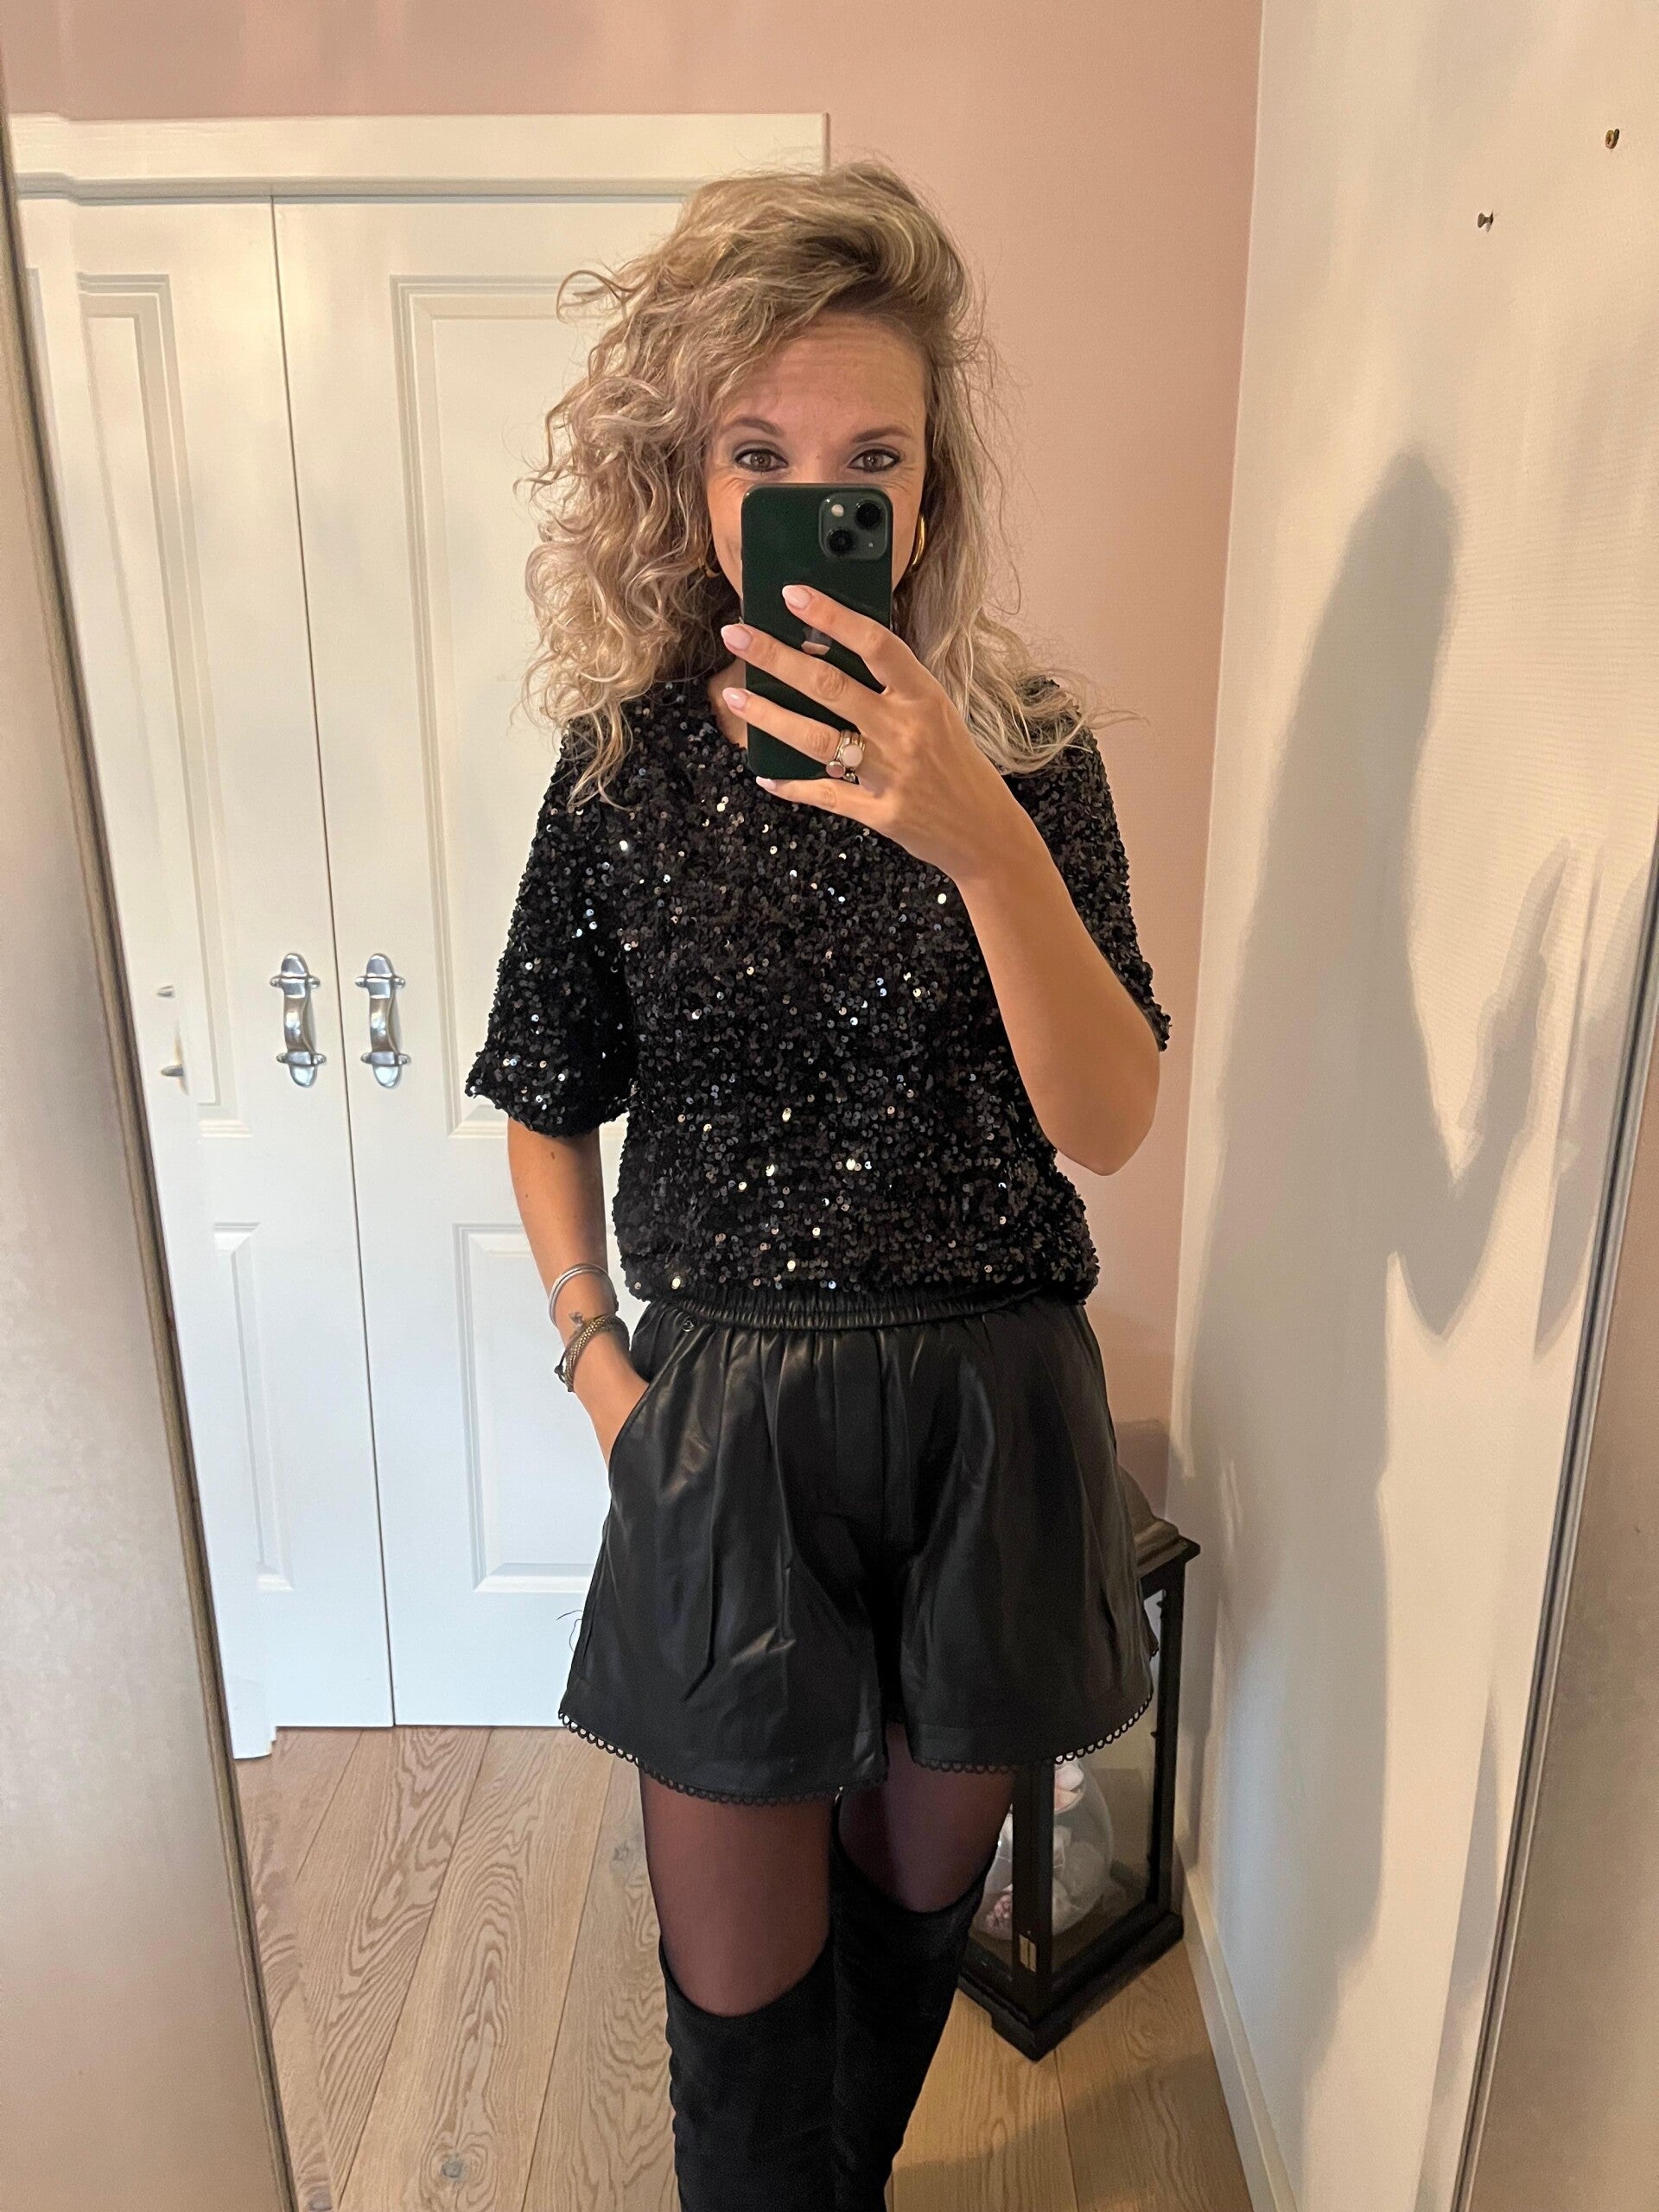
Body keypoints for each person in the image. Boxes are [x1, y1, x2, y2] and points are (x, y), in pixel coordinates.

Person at [465, 156, 1170, 2212]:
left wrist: (979, 831)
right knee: (738, 2026)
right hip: (726, 1420)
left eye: (872, 458)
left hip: (989, 1416)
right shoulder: (621, 762)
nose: (818, 494)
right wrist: (602, 1368)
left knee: (900, 1950)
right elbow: (542, 1095)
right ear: (694, 484)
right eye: (759, 454)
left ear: (929, 495)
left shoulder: (1028, 749)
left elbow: (1111, 1116)